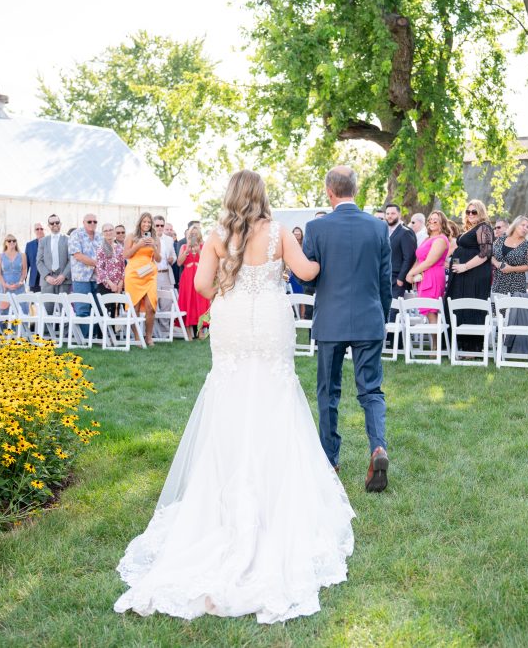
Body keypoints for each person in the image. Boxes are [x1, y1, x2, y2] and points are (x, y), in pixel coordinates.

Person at [114, 169, 353, 623]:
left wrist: (230, 280)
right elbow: (306, 272)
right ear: (261, 195)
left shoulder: (219, 235)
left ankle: (222, 501)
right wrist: (312, 262)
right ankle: (274, 497)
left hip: (232, 320)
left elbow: (202, 287)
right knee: (274, 393)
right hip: (269, 320)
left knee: (231, 397)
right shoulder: (280, 232)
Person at [303, 165, 392, 492]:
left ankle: (330, 459)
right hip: (369, 318)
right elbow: (385, 280)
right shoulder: (378, 228)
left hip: (331, 320)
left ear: (329, 191)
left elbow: (308, 276)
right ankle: (378, 447)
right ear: (356, 190)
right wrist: (381, 315)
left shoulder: (316, 228)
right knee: (371, 390)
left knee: (328, 391)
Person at [447, 200, 494, 350]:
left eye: (474, 212)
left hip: (475, 275)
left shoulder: (484, 228)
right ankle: (461, 344)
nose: (470, 214)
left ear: (481, 212)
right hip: (462, 274)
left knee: (472, 307)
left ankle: (472, 347)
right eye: (468, 212)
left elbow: (486, 253)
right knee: (461, 307)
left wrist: (465, 266)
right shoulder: (470, 229)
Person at [124, 213, 162, 346]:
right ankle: (137, 337)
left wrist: (154, 247)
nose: (146, 224)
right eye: (144, 222)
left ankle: (149, 337)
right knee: (133, 306)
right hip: (133, 274)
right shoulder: (131, 237)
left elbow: (158, 259)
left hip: (149, 274)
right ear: (139, 223)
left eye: (149, 222)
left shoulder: (155, 239)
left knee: (151, 306)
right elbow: (126, 255)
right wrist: (138, 245)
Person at [406, 210, 450, 321]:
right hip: (424, 276)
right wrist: (411, 273)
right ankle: (435, 339)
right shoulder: (427, 238)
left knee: (431, 311)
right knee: (427, 312)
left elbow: (429, 262)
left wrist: (412, 273)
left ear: (442, 223)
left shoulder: (441, 239)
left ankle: (437, 339)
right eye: (430, 219)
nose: (432, 222)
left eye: (436, 220)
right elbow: (419, 259)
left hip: (433, 276)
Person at [69, 214, 104, 337]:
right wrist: (97, 264)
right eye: (89, 221)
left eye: (95, 221)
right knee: (82, 309)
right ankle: (83, 339)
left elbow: (104, 255)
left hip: (97, 278)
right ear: (83, 222)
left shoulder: (100, 236)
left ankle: (93, 337)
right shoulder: (76, 235)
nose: (92, 223)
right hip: (81, 278)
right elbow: (77, 255)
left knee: (96, 308)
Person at [386, 203, 417, 330]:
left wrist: (401, 278)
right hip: (386, 277)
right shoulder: (385, 231)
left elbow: (409, 257)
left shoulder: (405, 232)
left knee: (394, 309)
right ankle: (387, 339)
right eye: (387, 213)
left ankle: (395, 342)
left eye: (393, 213)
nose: (389, 216)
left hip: (397, 278)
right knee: (386, 308)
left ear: (399, 214)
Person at [178, 226, 210, 339]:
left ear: (199, 235)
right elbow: (179, 263)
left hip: (199, 275)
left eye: (196, 234)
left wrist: (199, 251)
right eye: (192, 234)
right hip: (187, 277)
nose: (194, 236)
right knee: (187, 302)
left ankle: (201, 330)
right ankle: (188, 331)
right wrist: (187, 251)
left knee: (200, 302)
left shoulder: (204, 246)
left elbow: (207, 262)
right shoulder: (183, 246)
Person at [490, 214, 528, 295]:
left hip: (516, 285)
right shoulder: (502, 238)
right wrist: (497, 263)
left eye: (527, 227)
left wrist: (511, 268)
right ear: (516, 224)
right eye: (523, 225)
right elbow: (490, 254)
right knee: (496, 307)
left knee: (514, 307)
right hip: (498, 283)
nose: (525, 228)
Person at [36, 214, 71, 312]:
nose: (55, 224)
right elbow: (39, 261)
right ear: (48, 225)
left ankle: (64, 328)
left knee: (64, 313)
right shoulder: (43, 241)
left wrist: (63, 275)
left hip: (64, 281)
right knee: (47, 313)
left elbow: (72, 260)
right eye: (52, 223)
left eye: (57, 222)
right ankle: (47, 328)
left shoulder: (68, 239)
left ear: (61, 224)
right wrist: (47, 276)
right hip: (47, 281)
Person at [95, 223, 125, 317]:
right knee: (103, 311)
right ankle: (102, 332)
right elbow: (100, 269)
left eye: (110, 230)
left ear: (114, 232)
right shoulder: (101, 248)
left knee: (115, 311)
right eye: (106, 231)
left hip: (118, 284)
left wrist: (121, 282)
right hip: (105, 284)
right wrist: (111, 284)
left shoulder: (119, 248)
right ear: (102, 233)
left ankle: (113, 331)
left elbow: (123, 266)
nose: (108, 232)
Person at [0, 234, 27, 314]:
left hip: (19, 287)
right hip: (5, 287)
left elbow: (24, 270)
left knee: (20, 311)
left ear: (16, 243)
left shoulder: (22, 255)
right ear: (5, 243)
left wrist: (20, 282)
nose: (11, 242)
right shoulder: (0, 256)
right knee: (4, 312)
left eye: (14, 241)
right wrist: (5, 285)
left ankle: (21, 327)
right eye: (9, 241)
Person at [153, 215, 177, 314]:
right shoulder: (148, 239)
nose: (159, 227)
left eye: (161, 225)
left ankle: (165, 329)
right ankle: (154, 330)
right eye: (157, 225)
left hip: (167, 274)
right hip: (153, 275)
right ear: (153, 226)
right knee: (153, 305)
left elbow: (174, 255)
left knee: (166, 306)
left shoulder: (169, 239)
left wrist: (172, 259)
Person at [24, 223, 44, 292]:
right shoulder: (29, 245)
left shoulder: (50, 242)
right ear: (34, 231)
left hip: (47, 279)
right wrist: (23, 281)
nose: (39, 231)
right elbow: (26, 265)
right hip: (34, 280)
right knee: (34, 302)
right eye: (37, 229)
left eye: (41, 229)